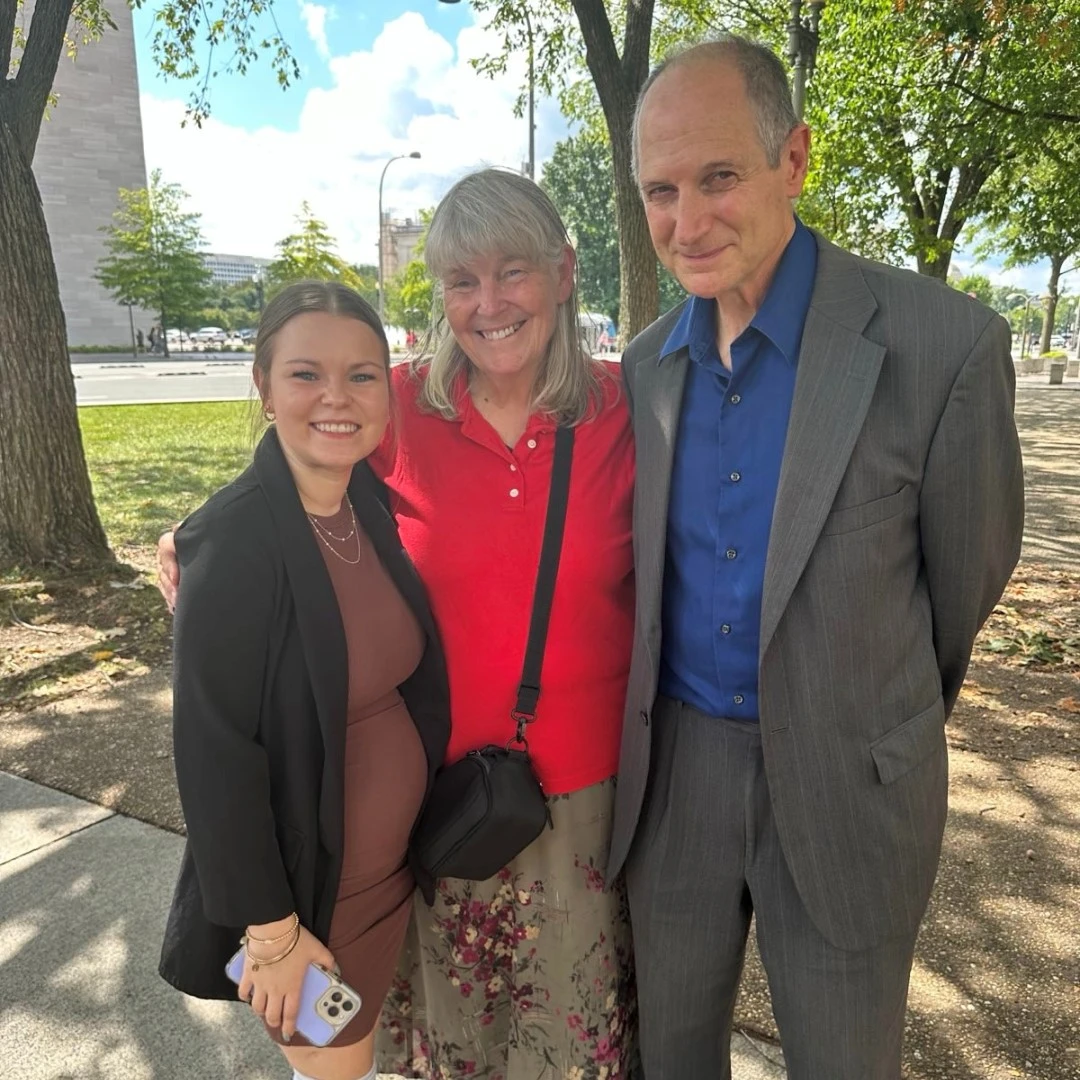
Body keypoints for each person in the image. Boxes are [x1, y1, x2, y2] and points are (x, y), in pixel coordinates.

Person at [605, 36, 1025, 1080]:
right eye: (660, 189)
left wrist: (865, 708)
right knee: (671, 1055)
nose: (685, 222)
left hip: (849, 779)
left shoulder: (946, 347)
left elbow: (962, 590)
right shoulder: (646, 364)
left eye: (718, 178)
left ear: (792, 160)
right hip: (678, 783)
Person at [159, 169, 638, 1078]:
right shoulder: (397, 409)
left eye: (513, 272)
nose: (488, 302)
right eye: (461, 280)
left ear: (566, 271)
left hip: (582, 805)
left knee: (566, 1051)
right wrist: (203, 538)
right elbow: (300, 455)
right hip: (434, 821)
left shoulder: (629, 411)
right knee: (430, 1048)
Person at [158, 281, 451, 1080]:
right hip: (310, 903)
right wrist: (274, 936)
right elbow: (213, 756)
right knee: (333, 1072)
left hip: (390, 874)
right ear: (263, 388)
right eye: (305, 374)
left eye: (361, 375)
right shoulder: (235, 539)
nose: (337, 396)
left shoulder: (365, 500)